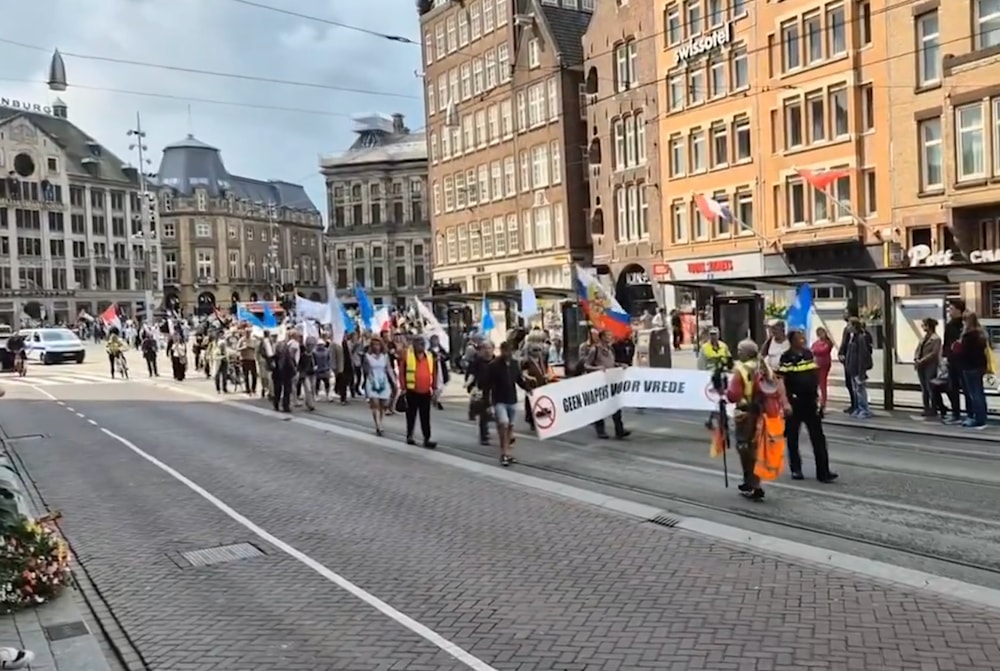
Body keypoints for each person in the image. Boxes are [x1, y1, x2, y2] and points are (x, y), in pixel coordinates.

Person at [725, 339, 787, 500]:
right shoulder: (764, 368)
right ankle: (752, 482)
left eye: (740, 350)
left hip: (745, 415)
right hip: (762, 414)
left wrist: (724, 392)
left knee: (744, 448)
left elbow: (733, 395)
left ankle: (752, 483)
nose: (738, 353)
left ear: (747, 353)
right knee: (756, 448)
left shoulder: (742, 370)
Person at [778, 329, 838, 483]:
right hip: (794, 402)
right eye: (799, 338)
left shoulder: (808, 354)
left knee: (818, 437)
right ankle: (796, 469)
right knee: (793, 437)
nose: (802, 340)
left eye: (803, 337)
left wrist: (818, 398)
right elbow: (781, 381)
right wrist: (785, 402)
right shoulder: (786, 357)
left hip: (810, 401)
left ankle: (823, 471)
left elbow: (814, 375)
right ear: (792, 341)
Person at [484, 341, 525, 466]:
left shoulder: (514, 364)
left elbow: (519, 380)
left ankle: (508, 453)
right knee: (504, 425)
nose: (506, 353)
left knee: (510, 427)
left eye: (508, 351)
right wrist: (488, 403)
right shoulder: (494, 365)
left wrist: (529, 389)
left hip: (512, 399)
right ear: (501, 351)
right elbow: (488, 385)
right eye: (504, 351)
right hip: (499, 400)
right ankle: (504, 452)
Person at [584, 329, 629, 439]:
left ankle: (619, 430)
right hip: (600, 382)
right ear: (602, 337)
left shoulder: (610, 349)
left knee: (616, 405)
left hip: (611, 380)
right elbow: (586, 365)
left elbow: (611, 363)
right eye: (608, 335)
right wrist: (598, 368)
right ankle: (600, 430)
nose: (610, 337)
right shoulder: (595, 350)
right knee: (601, 406)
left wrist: (620, 365)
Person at [398, 336, 440, 448]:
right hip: (412, 391)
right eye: (419, 343)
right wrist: (403, 388)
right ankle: (409, 436)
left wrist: (434, 388)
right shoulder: (407, 356)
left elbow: (434, 373)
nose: (421, 345)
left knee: (425, 417)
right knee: (411, 415)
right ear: (414, 345)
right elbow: (402, 373)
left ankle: (427, 438)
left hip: (426, 391)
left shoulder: (430, 357)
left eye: (423, 343)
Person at [956, 311, 989, 429]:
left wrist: (957, 346)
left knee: (973, 393)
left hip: (969, 366)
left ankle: (977, 418)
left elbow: (963, 352)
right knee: (979, 392)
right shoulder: (981, 334)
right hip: (980, 366)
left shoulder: (968, 336)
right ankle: (982, 416)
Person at [363, 337, 395, 435]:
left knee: (384, 403)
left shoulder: (384, 356)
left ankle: (380, 421)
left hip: (382, 380)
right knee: (375, 403)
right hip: (372, 380)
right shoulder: (367, 356)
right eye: (374, 345)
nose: (376, 347)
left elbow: (389, 368)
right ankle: (378, 425)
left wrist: (394, 381)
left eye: (378, 345)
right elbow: (365, 370)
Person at [914, 317, 944, 419]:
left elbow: (934, 353)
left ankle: (934, 408)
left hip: (930, 366)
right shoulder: (923, 338)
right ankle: (926, 408)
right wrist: (916, 359)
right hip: (921, 366)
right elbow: (918, 349)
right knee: (924, 388)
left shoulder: (936, 339)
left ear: (929, 326)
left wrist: (922, 360)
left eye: (924, 325)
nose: (922, 327)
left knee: (930, 387)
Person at [843, 317, 873, 419]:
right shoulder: (853, 337)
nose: (847, 327)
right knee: (856, 390)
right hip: (852, 369)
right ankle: (858, 408)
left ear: (854, 326)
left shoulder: (860, 338)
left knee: (860, 390)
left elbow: (862, 355)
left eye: (849, 325)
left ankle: (865, 410)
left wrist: (861, 372)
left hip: (857, 370)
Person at [942, 300, 966, 424]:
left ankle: (969, 414)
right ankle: (955, 413)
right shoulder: (949, 324)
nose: (949, 312)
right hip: (952, 361)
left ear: (958, 310)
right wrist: (945, 357)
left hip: (963, 362)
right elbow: (946, 343)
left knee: (967, 389)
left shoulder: (964, 324)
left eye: (951, 309)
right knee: (952, 388)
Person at [810, 327, 834, 416]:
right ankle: (816, 402)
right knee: (815, 385)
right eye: (818, 333)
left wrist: (815, 351)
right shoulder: (816, 342)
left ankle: (823, 403)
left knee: (823, 384)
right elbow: (811, 350)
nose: (820, 335)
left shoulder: (827, 342)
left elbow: (823, 350)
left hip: (824, 365)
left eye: (821, 333)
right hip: (815, 365)